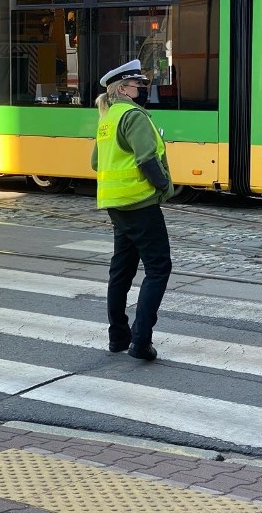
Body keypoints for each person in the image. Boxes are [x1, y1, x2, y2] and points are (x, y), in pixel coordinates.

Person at [91, 59, 175, 362]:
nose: (141, 87)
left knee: (121, 271)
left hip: (117, 206)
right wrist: (164, 186)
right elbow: (146, 159)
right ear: (122, 88)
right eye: (136, 84)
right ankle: (140, 341)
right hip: (140, 204)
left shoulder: (108, 117)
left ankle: (118, 337)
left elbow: (95, 163)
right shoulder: (134, 116)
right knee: (158, 268)